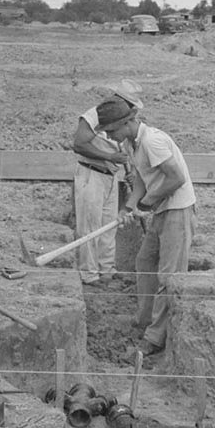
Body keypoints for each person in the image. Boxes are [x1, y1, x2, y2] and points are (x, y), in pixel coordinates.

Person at [99, 102, 196, 356]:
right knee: (145, 261)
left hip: (178, 210)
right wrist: (129, 208)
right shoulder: (132, 144)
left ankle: (155, 339)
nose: (109, 137)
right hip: (163, 210)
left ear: (127, 123)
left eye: (111, 131)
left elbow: (176, 178)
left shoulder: (153, 141)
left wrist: (148, 203)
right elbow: (142, 180)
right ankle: (145, 321)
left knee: (169, 276)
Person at [70, 81, 141, 286]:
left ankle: (107, 269)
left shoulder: (124, 120)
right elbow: (79, 144)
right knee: (90, 226)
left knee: (109, 225)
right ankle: (90, 274)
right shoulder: (94, 116)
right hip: (91, 175)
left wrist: (131, 172)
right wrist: (109, 156)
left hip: (111, 177)